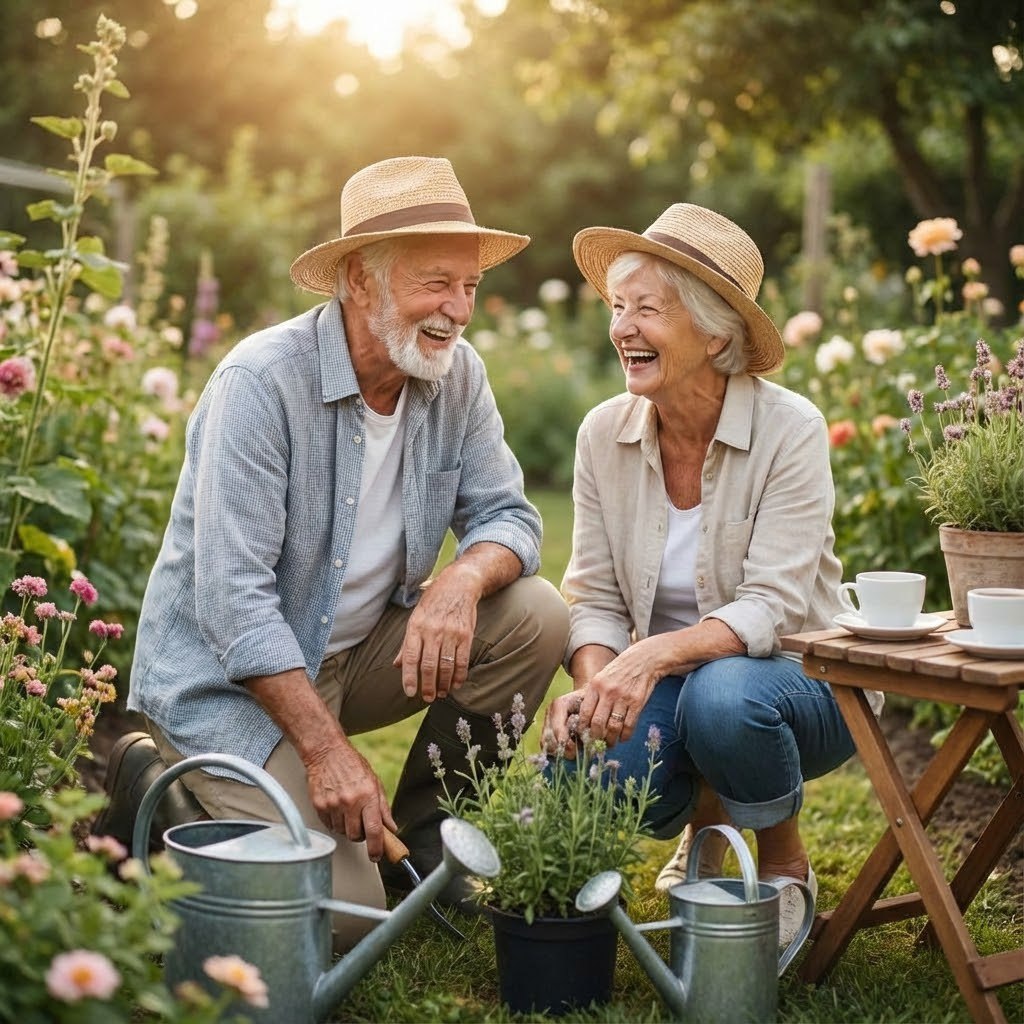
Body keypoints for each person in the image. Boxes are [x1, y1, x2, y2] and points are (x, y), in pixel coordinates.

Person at [99, 156, 569, 952]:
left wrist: (461, 577)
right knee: (344, 923)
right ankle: (148, 787)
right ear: (359, 281)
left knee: (535, 615)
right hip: (233, 688)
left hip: (355, 656)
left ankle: (425, 853)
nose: (458, 311)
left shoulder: (457, 378)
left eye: (469, 286)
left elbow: (510, 517)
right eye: (435, 284)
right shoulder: (260, 383)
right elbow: (235, 607)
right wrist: (327, 753)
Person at [543, 203, 879, 944]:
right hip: (663, 684)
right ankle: (702, 831)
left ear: (716, 333)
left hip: (800, 683)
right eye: (617, 307)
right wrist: (597, 685)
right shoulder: (604, 433)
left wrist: (647, 657)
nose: (622, 327)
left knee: (720, 696)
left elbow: (772, 607)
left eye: (647, 310)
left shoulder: (791, 429)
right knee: (583, 770)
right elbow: (593, 594)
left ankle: (786, 867)